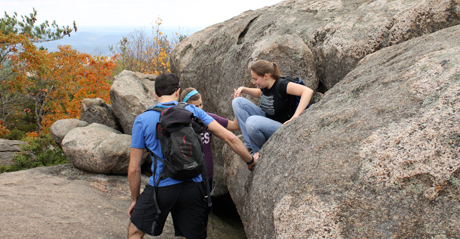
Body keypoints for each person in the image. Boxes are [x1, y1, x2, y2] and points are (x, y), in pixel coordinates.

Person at [128, 73, 259, 239]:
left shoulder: (142, 119)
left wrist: (135, 199)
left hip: (161, 186)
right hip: (194, 185)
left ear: (155, 94)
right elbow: (230, 137)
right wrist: (250, 160)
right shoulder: (193, 111)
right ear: (178, 91)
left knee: (135, 231)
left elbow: (134, 169)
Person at [180, 87, 240, 231]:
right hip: (188, 176)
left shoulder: (208, 118)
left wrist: (236, 103)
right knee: (188, 217)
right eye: (196, 106)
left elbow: (235, 125)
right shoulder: (179, 122)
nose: (200, 108)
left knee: (203, 217)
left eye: (201, 105)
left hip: (206, 176)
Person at [232, 60, 314, 154]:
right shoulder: (266, 86)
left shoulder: (282, 85)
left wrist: (296, 116)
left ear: (266, 76)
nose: (254, 82)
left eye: (255, 79)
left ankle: (258, 152)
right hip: (268, 120)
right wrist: (243, 89)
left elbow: (307, 91)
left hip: (282, 127)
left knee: (251, 122)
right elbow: (261, 94)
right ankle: (249, 145)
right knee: (237, 102)